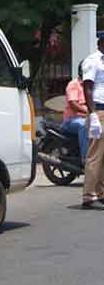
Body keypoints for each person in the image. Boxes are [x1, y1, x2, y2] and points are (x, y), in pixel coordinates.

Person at [81, 33, 104, 209]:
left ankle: (101, 192)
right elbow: (87, 87)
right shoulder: (93, 60)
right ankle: (89, 196)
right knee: (95, 156)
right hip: (98, 111)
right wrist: (93, 114)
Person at [61, 64, 88, 161]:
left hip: (89, 117)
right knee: (84, 125)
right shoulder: (73, 85)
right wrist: (89, 111)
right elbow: (73, 104)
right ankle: (86, 159)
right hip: (71, 120)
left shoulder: (91, 85)